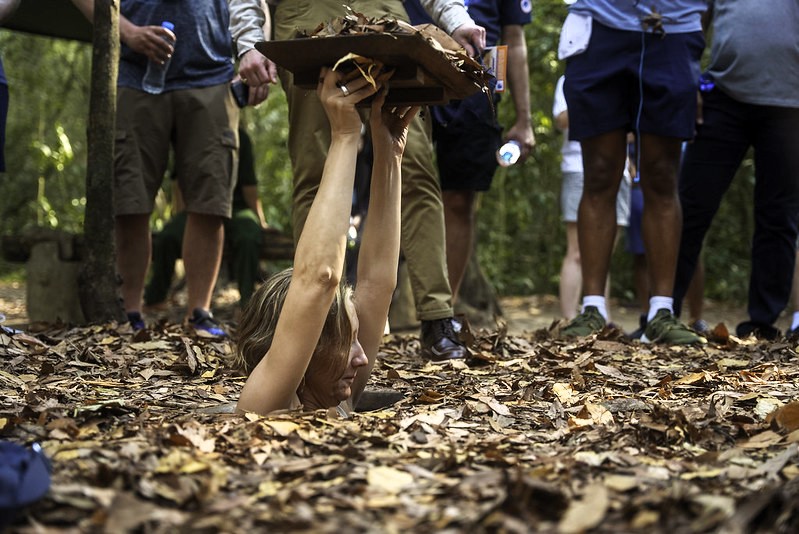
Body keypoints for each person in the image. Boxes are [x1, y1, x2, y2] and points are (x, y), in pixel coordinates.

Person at [228, 0, 486, 361]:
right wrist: (249, 42)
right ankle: (315, 321)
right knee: (316, 172)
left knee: (413, 169)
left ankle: (437, 317)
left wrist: (456, 19)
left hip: (385, 18)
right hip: (306, 18)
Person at [234, 68, 418, 415]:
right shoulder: (270, 402)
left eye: (354, 339)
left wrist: (389, 152)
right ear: (304, 347)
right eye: (345, 342)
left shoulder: (339, 396)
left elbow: (378, 281)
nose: (363, 358)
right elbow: (319, 279)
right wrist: (346, 134)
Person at [71, 0, 257, 336]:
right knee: (129, 202)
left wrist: (253, 52)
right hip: (133, 76)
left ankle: (200, 313)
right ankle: (130, 313)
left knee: (210, 203)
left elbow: (251, 4)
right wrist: (126, 32)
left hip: (212, 78)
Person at [558, 1, 706, 345]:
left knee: (661, 173)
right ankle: (593, 309)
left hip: (673, 30)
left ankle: (661, 311)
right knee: (598, 171)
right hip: (598, 28)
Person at [673, 0, 799, 341]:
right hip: (722, 98)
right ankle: (663, 313)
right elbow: (692, 21)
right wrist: (689, 80)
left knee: (779, 214)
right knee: (690, 205)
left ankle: (761, 322)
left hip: (790, 104)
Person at [404, 0, 534, 304]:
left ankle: (443, 310)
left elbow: (514, 39)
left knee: (461, 197)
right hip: (410, 73)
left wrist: (525, 120)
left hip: (477, 85)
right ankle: (383, 305)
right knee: (398, 185)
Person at [144, 128, 268, 311]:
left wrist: (260, 221)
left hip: (236, 208)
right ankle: (155, 298)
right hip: (197, 208)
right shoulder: (187, 134)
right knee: (168, 236)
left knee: (248, 237)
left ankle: (248, 305)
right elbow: (178, 182)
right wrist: (180, 216)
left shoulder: (240, 137)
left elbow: (250, 185)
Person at [553, 75, 630, 322]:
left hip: (620, 170)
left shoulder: (624, 79)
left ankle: (601, 320)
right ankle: (568, 321)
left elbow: (634, 130)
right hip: (578, 167)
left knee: (604, 250)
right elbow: (562, 119)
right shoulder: (571, 79)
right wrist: (602, 108)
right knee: (577, 251)